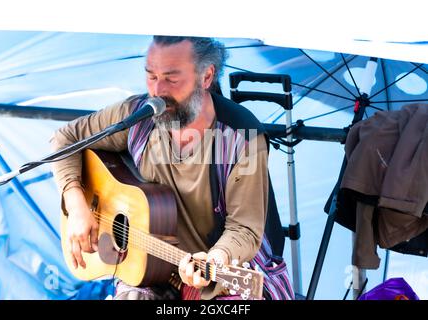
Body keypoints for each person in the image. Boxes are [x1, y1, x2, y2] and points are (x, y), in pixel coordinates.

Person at [50, 35, 294, 300]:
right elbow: (66, 139)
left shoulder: (241, 137)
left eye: (171, 78)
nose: (158, 90)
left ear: (206, 76)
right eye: (151, 76)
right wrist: (76, 205)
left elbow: (244, 230)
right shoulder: (137, 115)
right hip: (151, 273)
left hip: (225, 277)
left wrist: (215, 260)